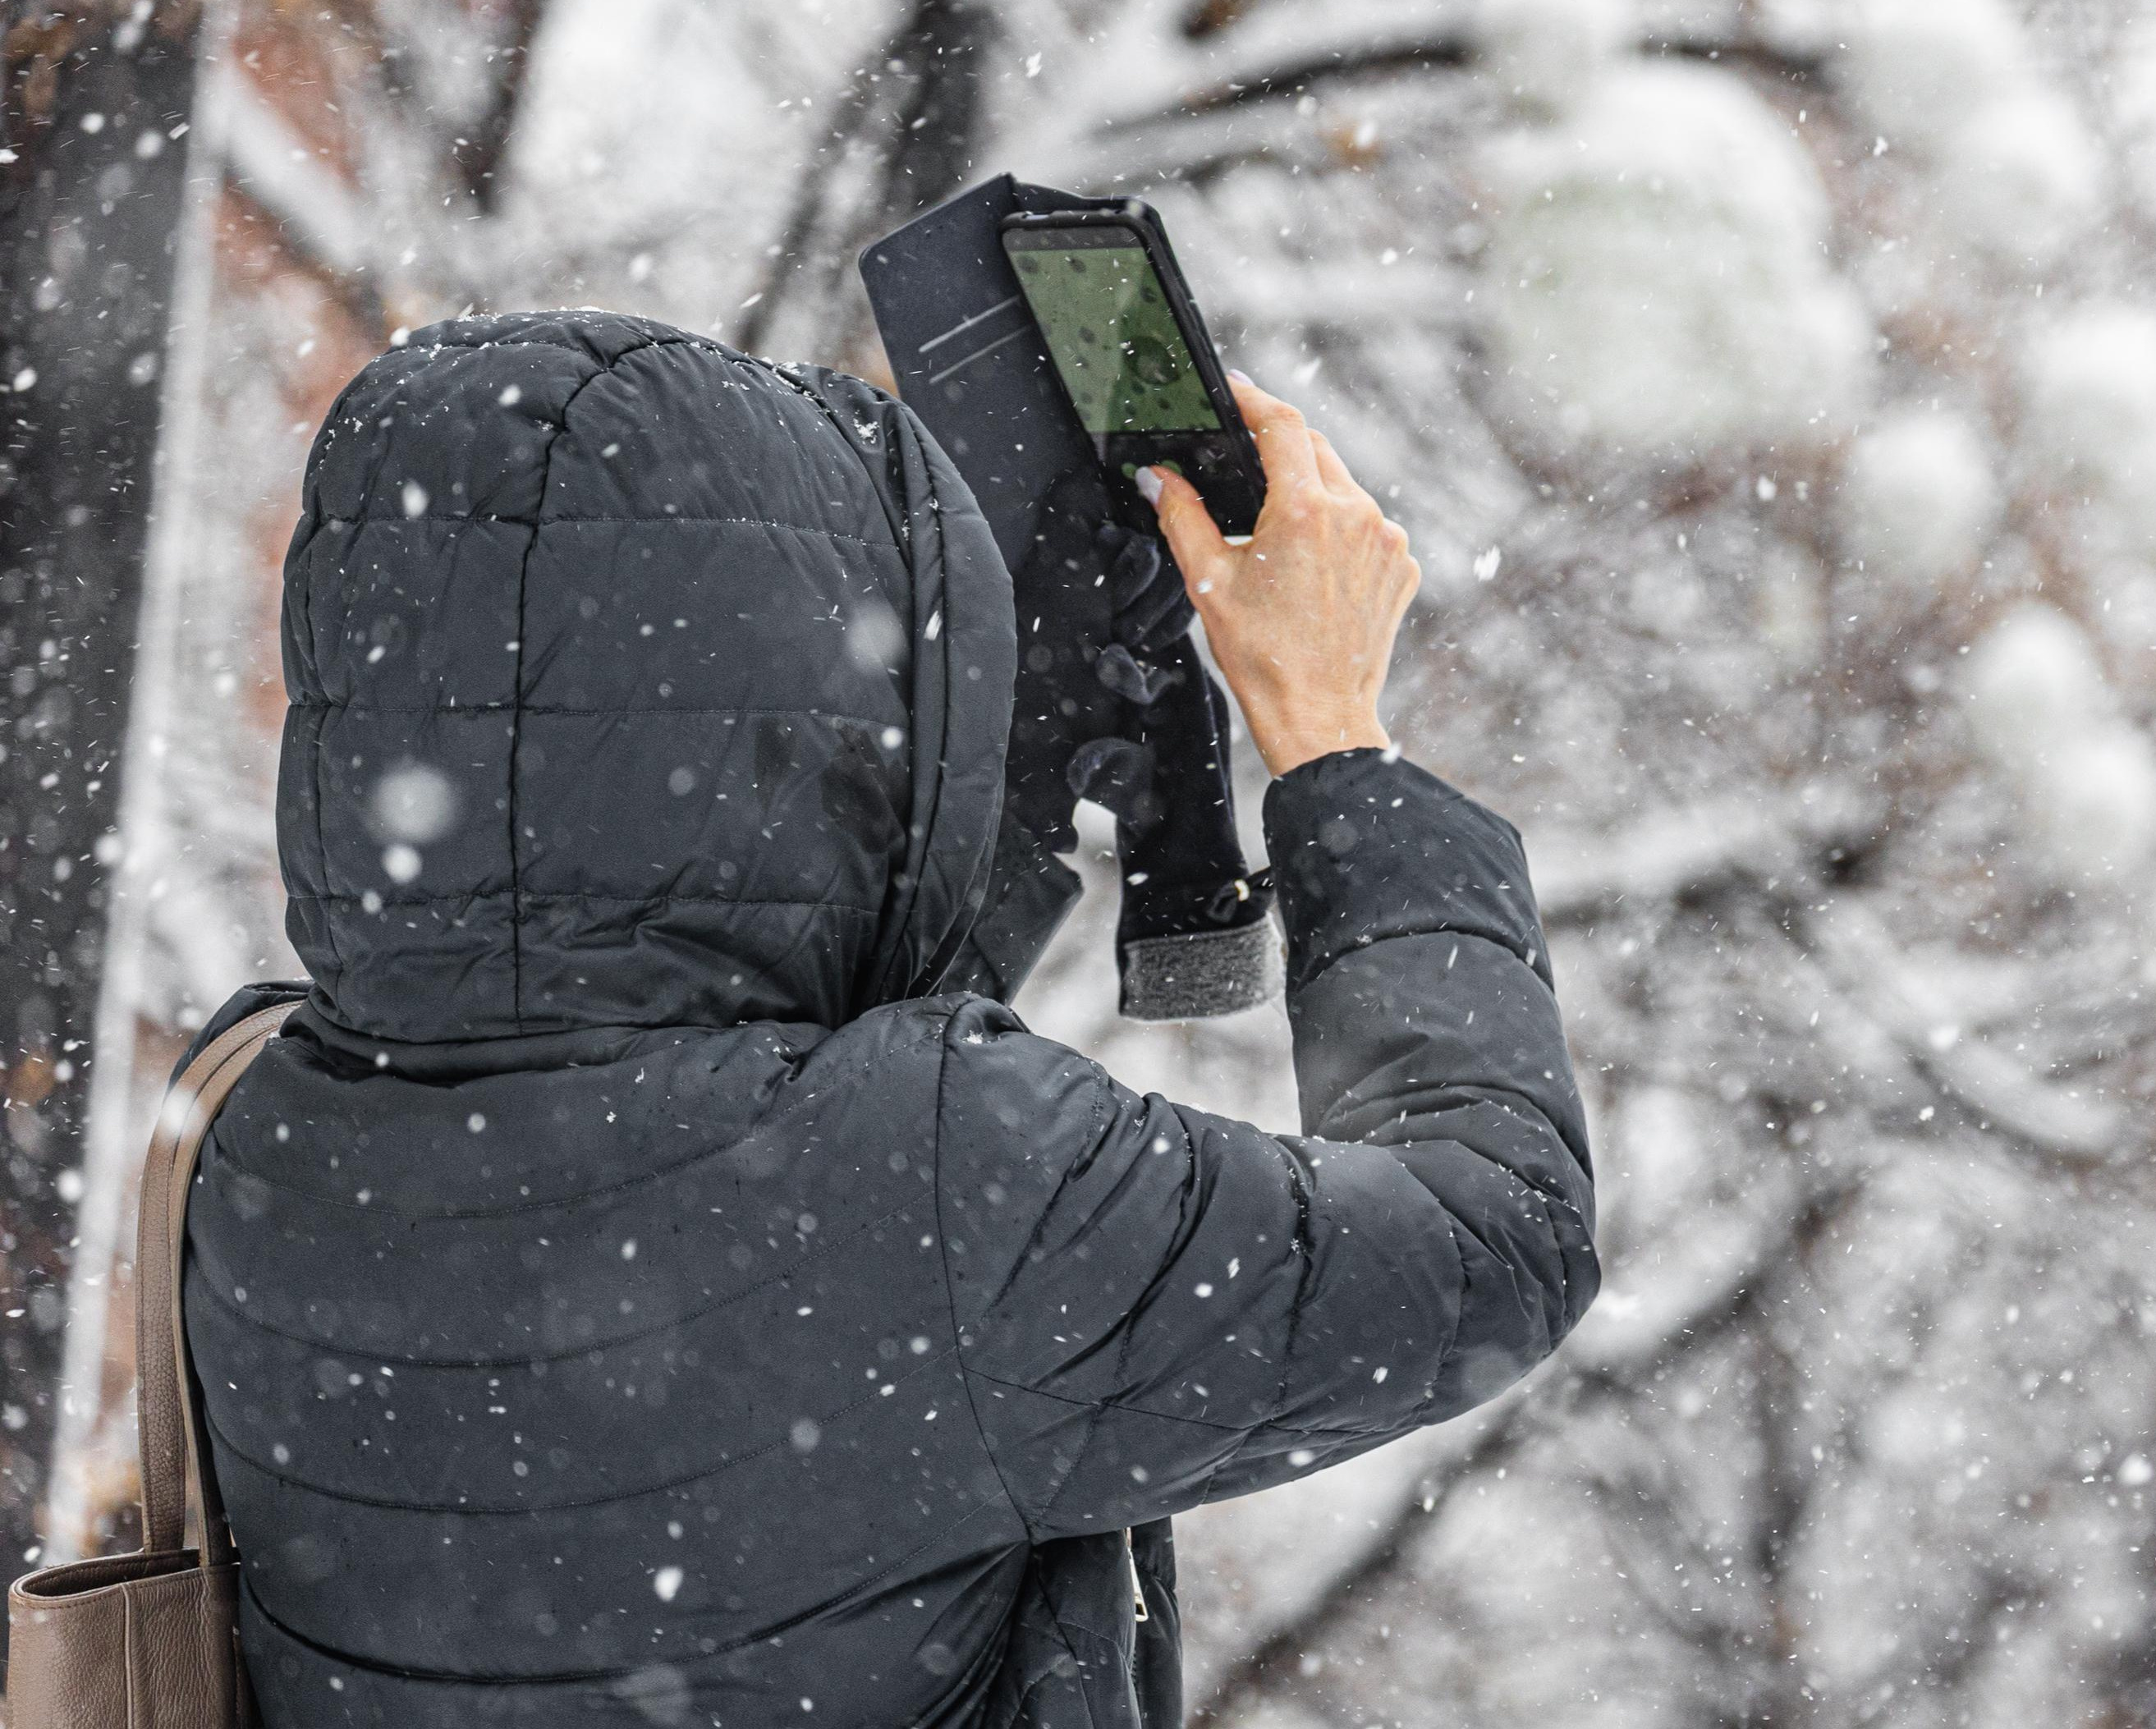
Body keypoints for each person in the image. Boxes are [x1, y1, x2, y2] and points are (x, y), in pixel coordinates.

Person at [179, 310, 1597, 1727]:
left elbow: (722, 1143)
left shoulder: (248, 1137)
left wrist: (1012, 775)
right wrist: (1332, 731)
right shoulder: (940, 1192)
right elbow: (1500, 1231)